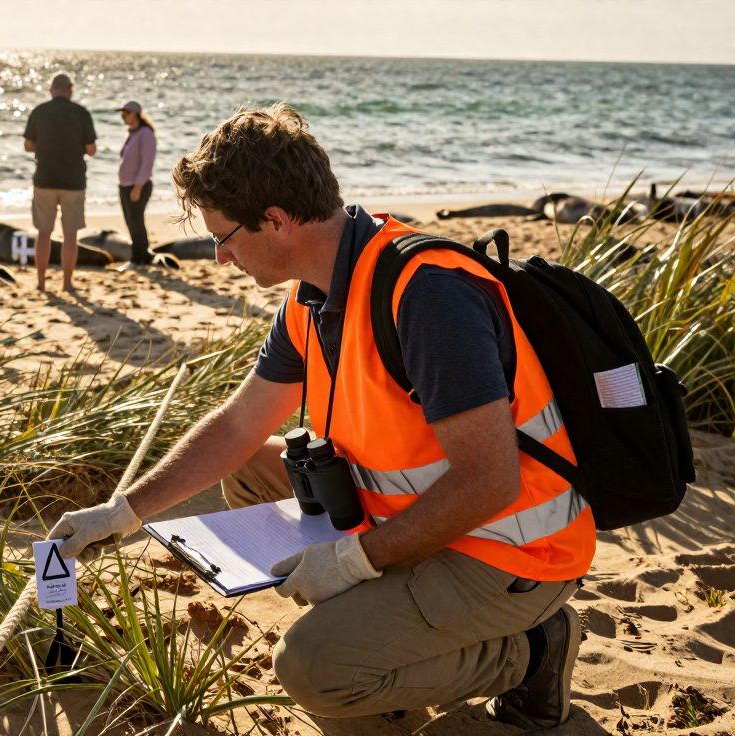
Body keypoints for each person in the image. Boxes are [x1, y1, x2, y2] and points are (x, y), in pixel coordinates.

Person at [48, 104, 594, 731]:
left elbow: (489, 481)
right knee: (252, 469)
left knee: (313, 668)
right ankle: (386, 642)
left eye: (224, 238)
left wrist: (353, 563)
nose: (222, 258)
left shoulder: (427, 297)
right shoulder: (311, 298)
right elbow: (237, 427)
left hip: (513, 552)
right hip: (417, 520)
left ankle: (532, 652)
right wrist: (124, 512)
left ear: (275, 221)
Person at [23, 73, 96, 292]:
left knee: (44, 232)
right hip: (73, 180)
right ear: (70, 89)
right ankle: (66, 283)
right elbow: (91, 150)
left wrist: (44, 146)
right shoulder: (81, 113)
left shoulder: (39, 111)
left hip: (45, 178)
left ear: (51, 89)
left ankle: (41, 282)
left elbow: (27, 145)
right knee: (70, 234)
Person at [116, 101, 156, 267]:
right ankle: (141, 256)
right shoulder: (133, 133)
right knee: (131, 222)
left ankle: (138, 258)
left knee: (136, 222)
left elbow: (147, 164)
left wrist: (138, 187)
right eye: (122, 114)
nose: (123, 116)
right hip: (126, 185)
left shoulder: (146, 134)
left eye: (126, 113)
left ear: (136, 114)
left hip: (137, 186)